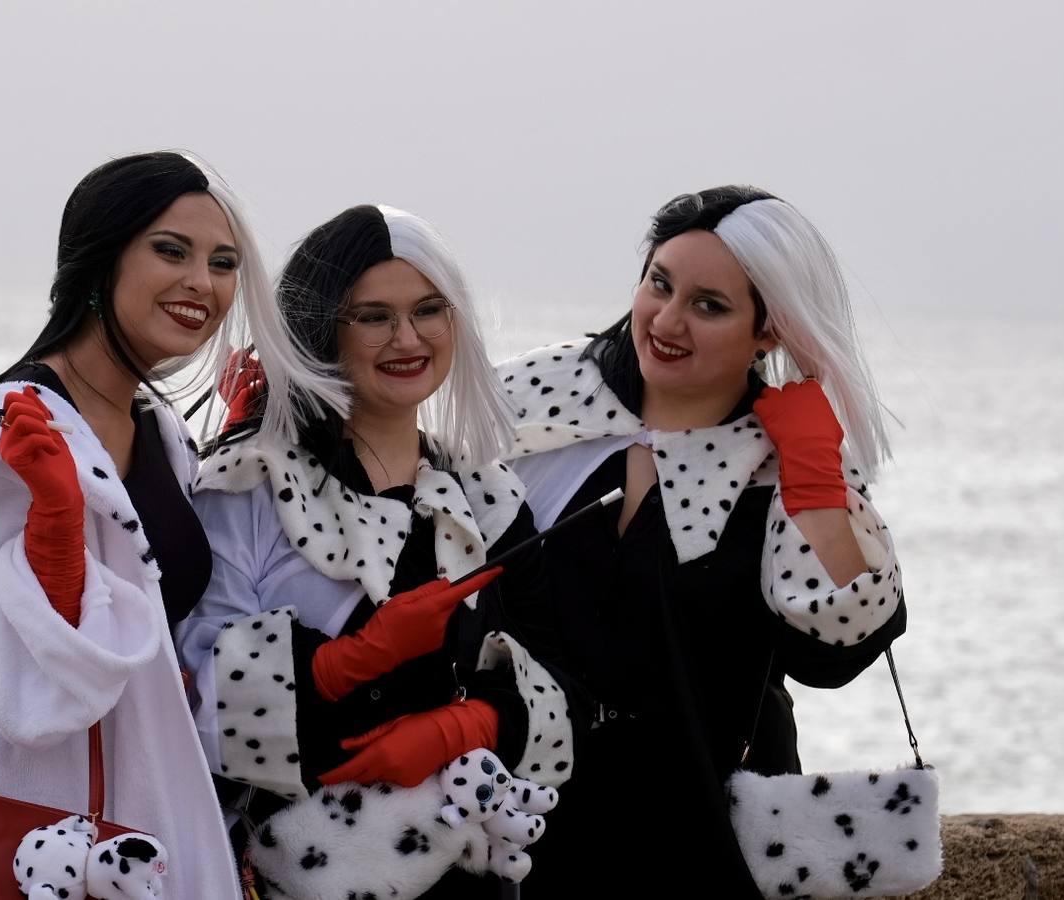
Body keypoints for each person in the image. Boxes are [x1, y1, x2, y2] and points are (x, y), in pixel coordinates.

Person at [0, 151, 336, 897]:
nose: (201, 283)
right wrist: (53, 528)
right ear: (100, 258)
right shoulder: (0, 438)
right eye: (170, 251)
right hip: (21, 830)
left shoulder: (161, 435)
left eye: (223, 262)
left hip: (126, 829)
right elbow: (28, 698)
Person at [496, 186, 908, 896]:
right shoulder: (533, 395)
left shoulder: (790, 463)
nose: (667, 319)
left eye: (709, 305)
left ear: (769, 332)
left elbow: (833, 655)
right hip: (532, 830)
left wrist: (811, 477)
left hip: (716, 842)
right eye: (659, 284)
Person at [175, 205, 574, 899]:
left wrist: (477, 721)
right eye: (373, 316)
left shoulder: (487, 495)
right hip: (287, 878)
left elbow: (564, 675)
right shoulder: (249, 483)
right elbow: (190, 703)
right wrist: (341, 666)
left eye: (428, 310)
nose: (407, 338)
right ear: (322, 326)